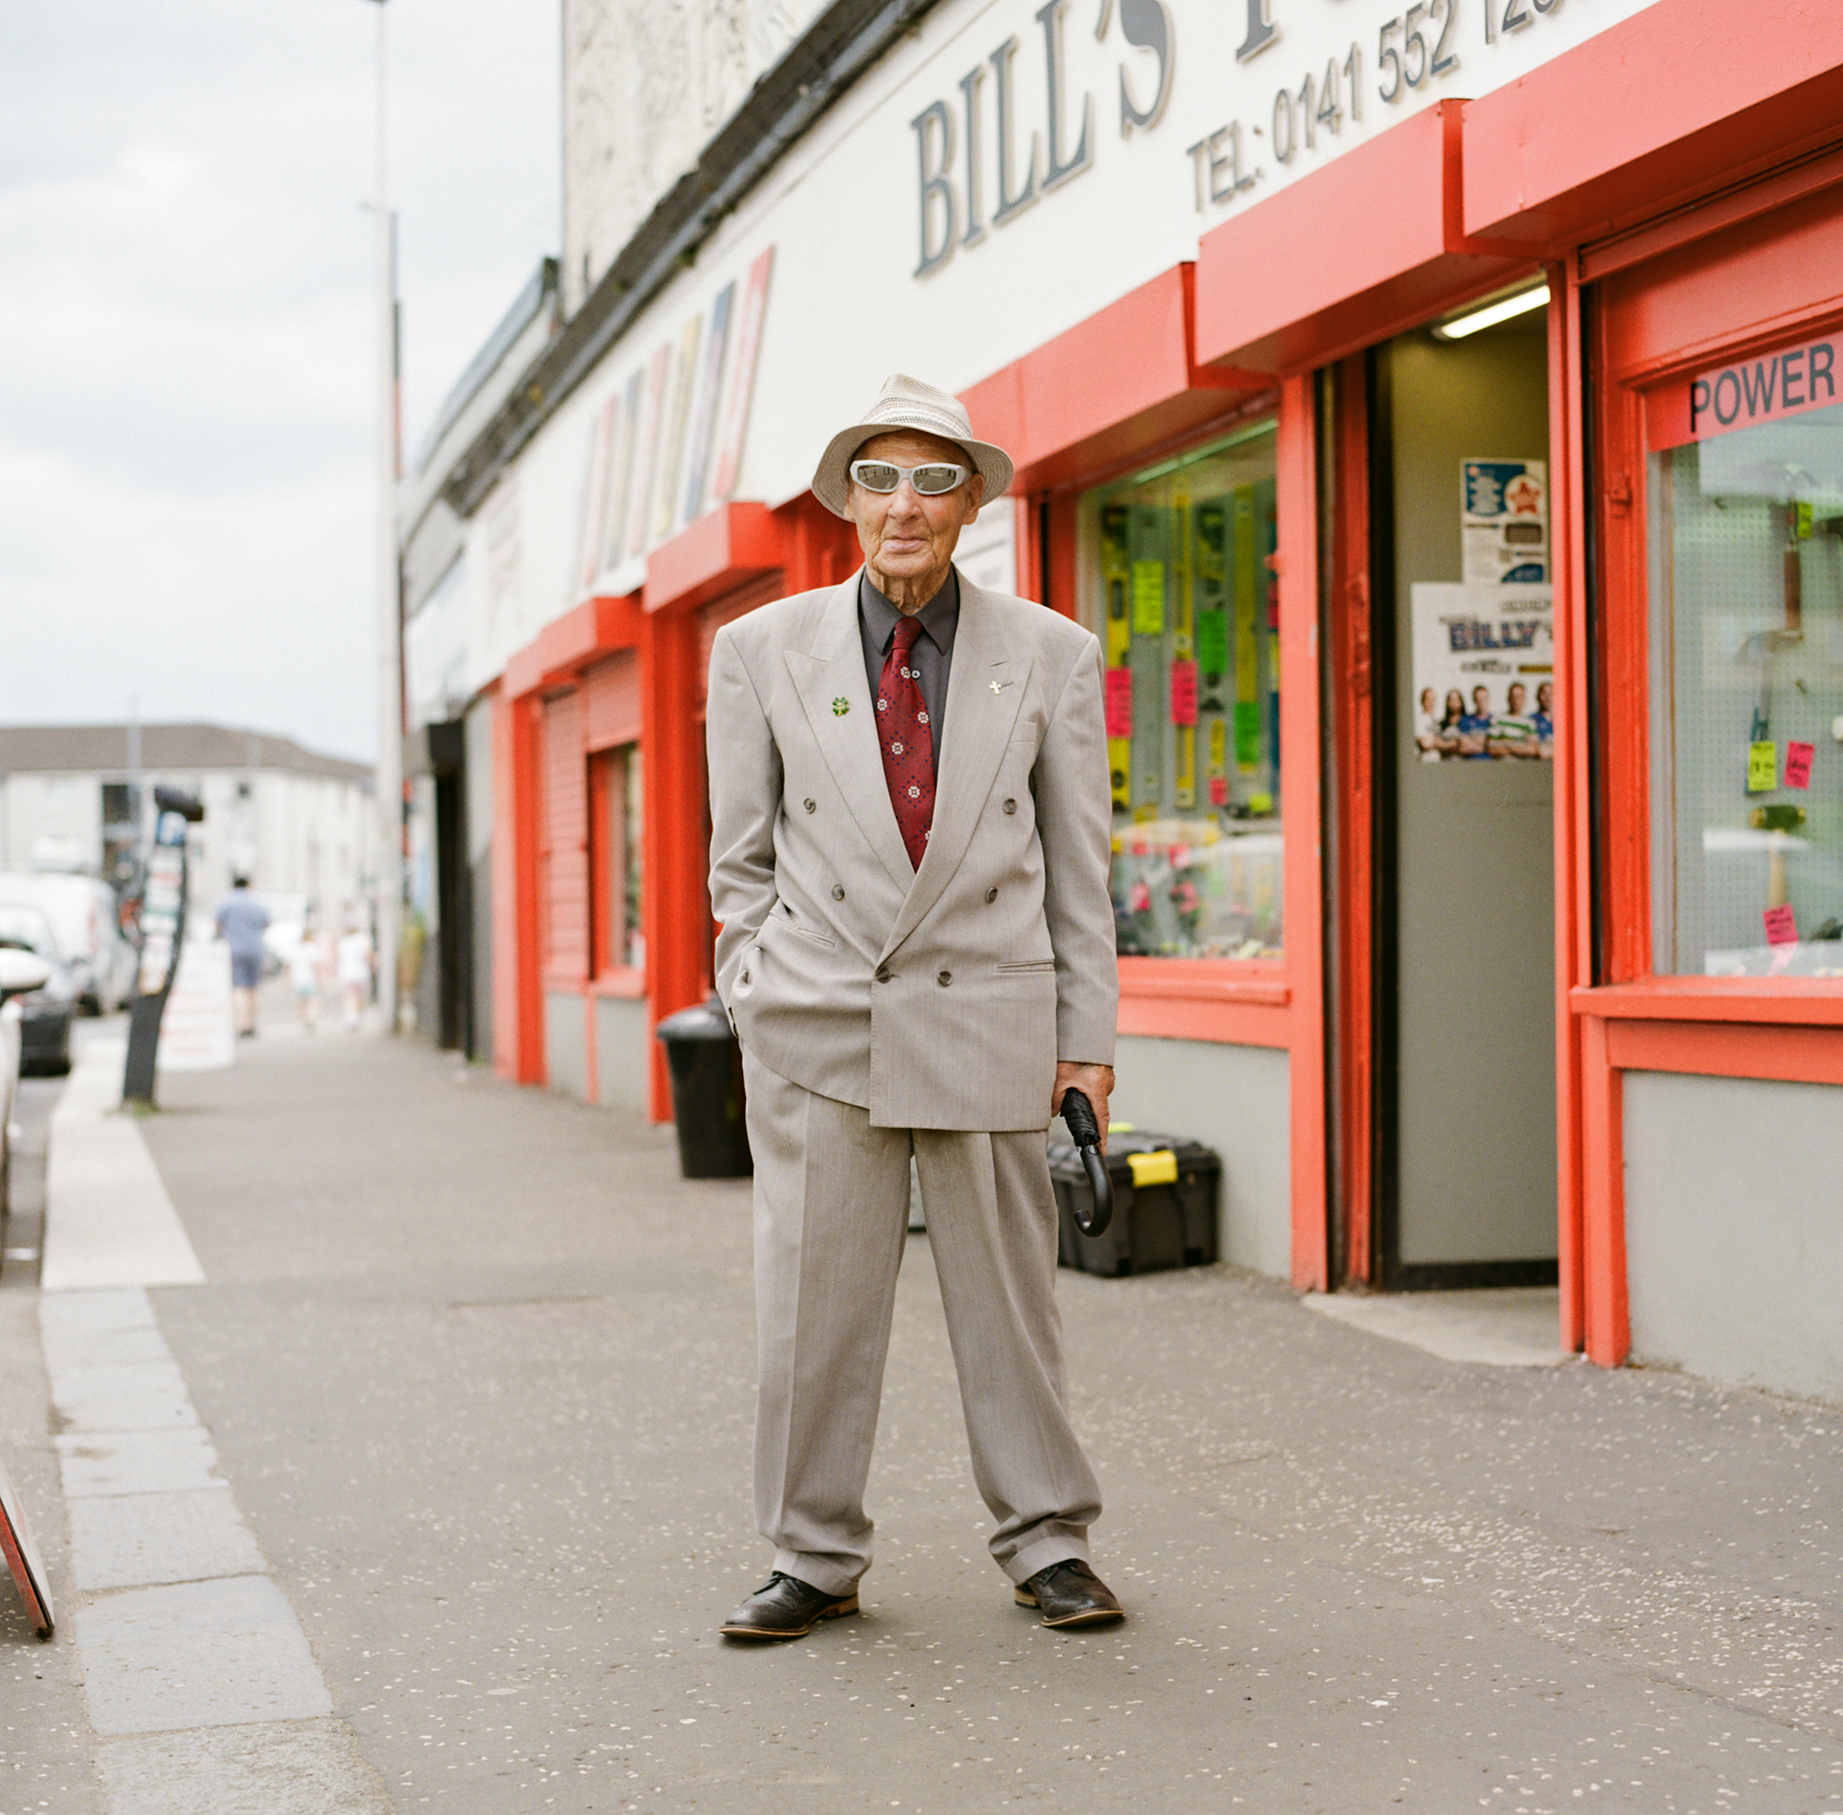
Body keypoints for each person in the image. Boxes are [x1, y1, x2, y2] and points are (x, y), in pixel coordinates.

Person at [706, 374, 1122, 1641]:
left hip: (986, 1017)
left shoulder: (1051, 653)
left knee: (1010, 1305)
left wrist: (1086, 1050)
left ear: (973, 504)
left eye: (934, 480)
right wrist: (755, 993)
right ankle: (812, 1553)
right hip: (823, 1020)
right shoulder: (758, 651)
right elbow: (741, 862)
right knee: (812, 1307)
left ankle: (1048, 1540)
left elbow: (1079, 869)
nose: (905, 505)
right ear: (845, 500)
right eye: (879, 478)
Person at [214, 875, 269, 1038]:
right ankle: (252, 1024)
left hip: (234, 949)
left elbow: (217, 923)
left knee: (238, 987)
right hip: (255, 949)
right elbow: (267, 922)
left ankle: (241, 1024)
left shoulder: (227, 902)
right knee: (253, 987)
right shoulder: (256, 902)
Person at [334, 914, 373, 1033]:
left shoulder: (343, 941)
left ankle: (351, 1018)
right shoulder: (363, 938)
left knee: (349, 997)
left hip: (346, 974)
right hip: (361, 973)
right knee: (360, 997)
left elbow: (337, 957)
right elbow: (368, 954)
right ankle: (356, 1018)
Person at [290, 913, 326, 1032]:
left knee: (302, 1001)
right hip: (310, 980)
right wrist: (320, 980)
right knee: (313, 1001)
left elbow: (290, 965)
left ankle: (304, 1019)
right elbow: (316, 966)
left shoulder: (297, 948)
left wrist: (287, 980)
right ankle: (311, 1018)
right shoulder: (313, 949)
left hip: (298, 980)